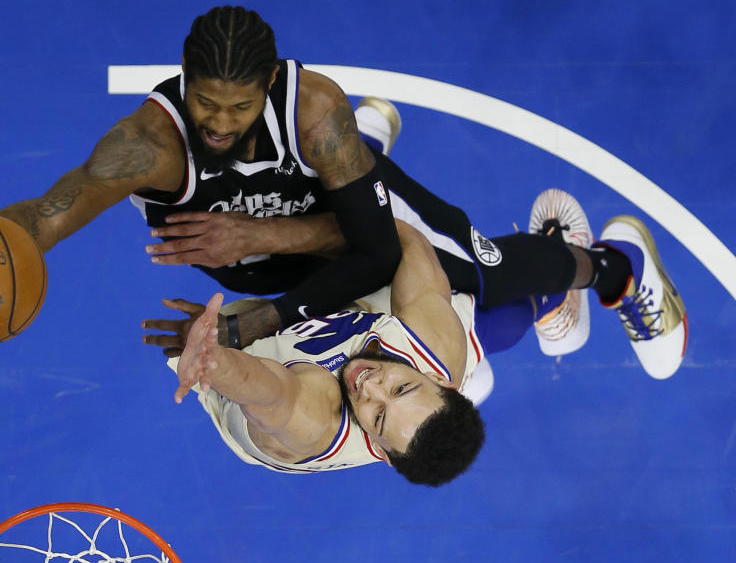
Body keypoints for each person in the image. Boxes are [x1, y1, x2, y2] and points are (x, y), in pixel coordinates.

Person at [0, 5, 686, 379]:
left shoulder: (313, 108)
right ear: (183, 80)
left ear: (267, 81)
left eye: (238, 106)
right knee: (410, 355)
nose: (220, 124)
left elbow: (371, 247)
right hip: (280, 262)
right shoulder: (146, 147)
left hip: (350, 226)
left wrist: (251, 242)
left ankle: (610, 267)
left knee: (476, 282)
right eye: (204, 104)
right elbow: (45, 217)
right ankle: (359, 166)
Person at [171, 209, 686, 487]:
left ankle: (579, 284)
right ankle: (605, 270)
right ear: (441, 383)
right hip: (362, 318)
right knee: (470, 274)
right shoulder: (439, 354)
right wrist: (352, 199)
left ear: (383, 451)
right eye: (401, 386)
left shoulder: (314, 420)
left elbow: (268, 391)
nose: (371, 387)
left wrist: (212, 358)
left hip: (260, 360)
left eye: (377, 415)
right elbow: (407, 239)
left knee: (344, 218)